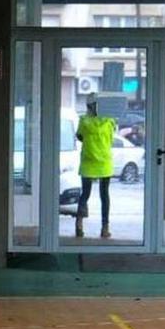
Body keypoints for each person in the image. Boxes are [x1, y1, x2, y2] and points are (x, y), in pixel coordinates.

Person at [76, 93, 117, 238]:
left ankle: (79, 225)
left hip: (88, 162)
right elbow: (111, 138)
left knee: (85, 194)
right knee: (104, 195)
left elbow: (79, 136)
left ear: (89, 106)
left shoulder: (84, 121)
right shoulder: (109, 121)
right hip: (104, 163)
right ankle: (105, 228)